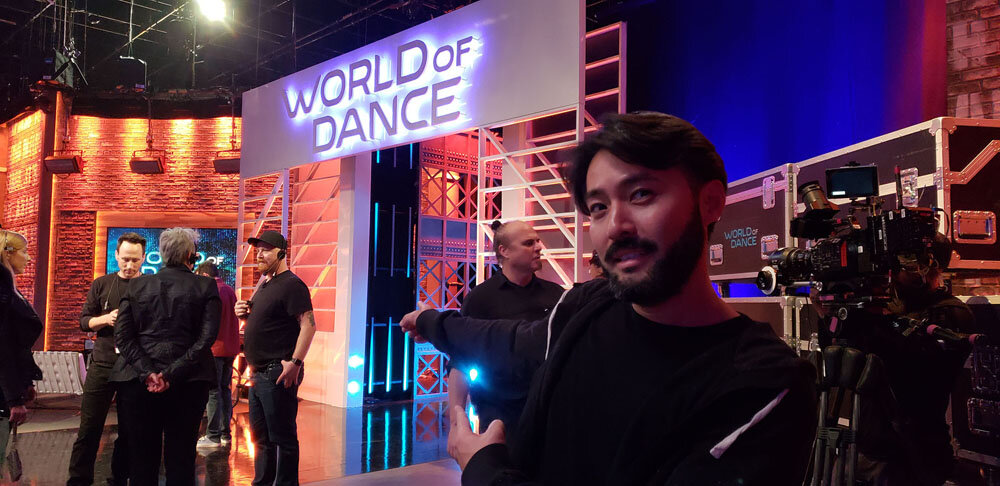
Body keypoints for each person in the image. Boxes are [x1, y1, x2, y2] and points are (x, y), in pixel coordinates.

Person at [401, 112, 817, 485]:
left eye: (641, 195)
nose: (616, 226)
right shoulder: (588, 305)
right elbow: (510, 343)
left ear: (709, 203)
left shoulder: (764, 385)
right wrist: (430, 322)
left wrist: (485, 469)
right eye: (598, 207)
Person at [821, 233, 978, 486]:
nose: (890, 274)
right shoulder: (882, 311)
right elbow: (838, 357)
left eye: (900, 264)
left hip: (911, 454)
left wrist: (872, 317)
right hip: (861, 448)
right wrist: (830, 315)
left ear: (929, 267)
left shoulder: (951, 313)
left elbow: (905, 367)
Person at [111, 228, 221, 485]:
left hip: (139, 383)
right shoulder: (206, 286)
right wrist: (170, 374)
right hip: (189, 382)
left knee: (141, 460)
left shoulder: (136, 285)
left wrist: (148, 373)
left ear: (161, 253)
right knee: (181, 457)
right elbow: (206, 339)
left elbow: (123, 337)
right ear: (190, 254)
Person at [448, 219, 564, 443]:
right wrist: (455, 424)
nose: (539, 247)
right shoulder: (481, 299)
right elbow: (460, 361)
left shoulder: (556, 295)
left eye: (537, 241)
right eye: (529, 243)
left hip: (549, 413)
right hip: (499, 415)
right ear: (504, 251)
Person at [235, 230, 316, 486]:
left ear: (281, 253)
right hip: (259, 373)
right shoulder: (266, 284)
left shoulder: (292, 284)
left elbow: (309, 325)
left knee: (282, 438)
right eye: (258, 250)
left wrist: (295, 363)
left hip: (276, 372)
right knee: (261, 438)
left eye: (265, 250)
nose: (259, 255)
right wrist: (244, 313)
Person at [67, 232, 146, 486]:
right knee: (89, 427)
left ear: (144, 258)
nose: (129, 265)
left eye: (135, 260)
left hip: (133, 366)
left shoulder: (149, 285)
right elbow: (83, 321)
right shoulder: (101, 284)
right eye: (125, 259)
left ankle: (119, 478)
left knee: (130, 430)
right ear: (116, 255)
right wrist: (106, 319)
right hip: (102, 363)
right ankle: (79, 479)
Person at [0, 229, 43, 469]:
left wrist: (24, 383)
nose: (28, 258)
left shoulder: (10, 289)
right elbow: (3, 347)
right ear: (8, 254)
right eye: (24, 252)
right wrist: (13, 398)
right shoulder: (3, 290)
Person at [195, 261, 240, 450]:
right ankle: (225, 434)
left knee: (213, 392)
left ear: (204, 276)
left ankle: (213, 436)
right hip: (231, 348)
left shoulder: (211, 291)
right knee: (224, 390)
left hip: (215, 349)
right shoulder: (229, 290)